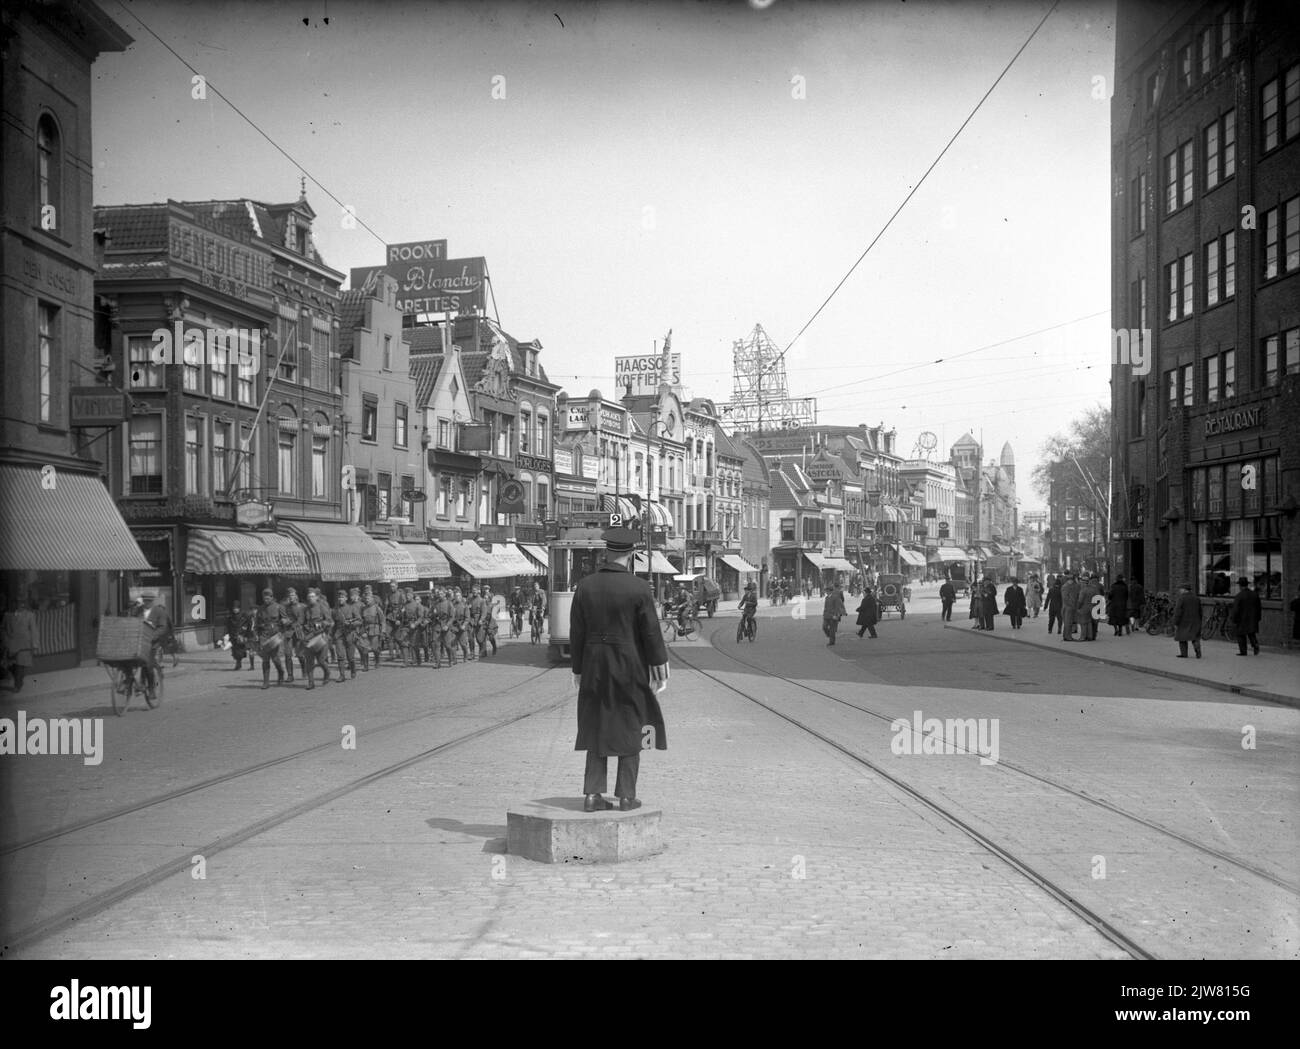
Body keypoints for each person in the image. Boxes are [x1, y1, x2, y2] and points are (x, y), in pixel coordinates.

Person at [570, 527, 670, 813]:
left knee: (595, 726)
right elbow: (651, 633)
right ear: (633, 554)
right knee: (634, 725)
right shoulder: (639, 589)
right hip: (629, 667)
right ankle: (626, 795)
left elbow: (576, 632)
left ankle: (592, 794)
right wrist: (659, 667)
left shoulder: (585, 586)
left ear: (606, 552)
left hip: (593, 667)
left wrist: (578, 668)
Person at [254, 588, 290, 688]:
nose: (266, 600)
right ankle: (266, 682)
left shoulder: (279, 607)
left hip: (275, 635)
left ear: (272, 597)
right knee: (265, 659)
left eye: (268, 598)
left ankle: (281, 672)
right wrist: (256, 634)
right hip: (264, 635)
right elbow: (256, 624)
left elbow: (286, 620)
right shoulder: (260, 609)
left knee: (275, 659)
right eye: (264, 598)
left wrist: (284, 621)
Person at [2, 596, 37, 692]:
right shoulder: (7, 615)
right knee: (9, 665)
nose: (19, 605)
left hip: (24, 645)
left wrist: (35, 644)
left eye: (22, 603)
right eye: (17, 603)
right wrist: (6, 641)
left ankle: (17, 685)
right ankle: (19, 681)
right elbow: (3, 629)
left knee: (20, 665)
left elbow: (34, 630)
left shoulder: (30, 615)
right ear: (13, 604)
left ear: (24, 604)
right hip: (11, 644)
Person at [300, 589, 332, 689]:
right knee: (309, 661)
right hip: (309, 636)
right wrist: (302, 633)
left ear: (317, 597)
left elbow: (329, 621)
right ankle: (311, 683)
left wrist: (323, 624)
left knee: (321, 661)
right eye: (309, 597)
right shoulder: (305, 610)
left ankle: (327, 673)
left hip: (321, 636)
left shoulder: (322, 607)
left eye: (313, 596)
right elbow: (301, 623)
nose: (311, 598)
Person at [1229, 577, 1262, 656]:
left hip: (1242, 619)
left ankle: (1243, 651)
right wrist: (1258, 617)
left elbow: (1235, 609)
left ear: (1240, 586)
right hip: (1252, 618)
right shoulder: (1254, 594)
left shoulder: (1239, 596)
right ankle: (1255, 645)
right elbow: (1259, 607)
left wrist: (1233, 619)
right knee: (1251, 633)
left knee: (1240, 635)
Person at [1172, 583, 1203, 658]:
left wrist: (1175, 622)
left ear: (1184, 590)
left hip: (1184, 621)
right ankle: (1197, 651)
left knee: (1182, 638)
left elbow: (1178, 611)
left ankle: (1184, 654)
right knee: (1195, 637)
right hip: (1196, 621)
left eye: (1181, 589)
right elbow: (1200, 611)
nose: (1179, 591)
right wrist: (1200, 620)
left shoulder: (1181, 598)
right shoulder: (1196, 598)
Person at [281, 588, 303, 681]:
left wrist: (289, 621)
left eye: (293, 595)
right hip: (288, 632)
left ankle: (304, 669)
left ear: (296, 596)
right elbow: (283, 619)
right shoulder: (284, 607)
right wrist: (284, 621)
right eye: (289, 596)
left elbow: (301, 620)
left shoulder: (301, 606)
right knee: (287, 654)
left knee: (300, 654)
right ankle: (290, 675)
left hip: (298, 632)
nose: (291, 597)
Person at [361, 590, 385, 670]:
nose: (367, 600)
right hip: (366, 631)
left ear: (372, 599)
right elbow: (362, 621)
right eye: (366, 598)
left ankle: (377, 661)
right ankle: (366, 666)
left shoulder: (377, 608)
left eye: (368, 598)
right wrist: (362, 631)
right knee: (364, 649)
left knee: (375, 648)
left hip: (375, 630)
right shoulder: (363, 609)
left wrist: (383, 631)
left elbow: (382, 620)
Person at [1077, 574, 1102, 642]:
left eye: (1082, 582)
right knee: (1089, 622)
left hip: (1084, 608)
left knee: (1083, 623)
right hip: (1093, 607)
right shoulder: (1094, 588)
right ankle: (1090, 636)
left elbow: (1080, 601)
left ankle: (1083, 637)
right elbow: (1099, 597)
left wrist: (1078, 607)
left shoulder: (1083, 590)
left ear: (1084, 582)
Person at [226, 602, 251, 671]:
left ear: (239, 608)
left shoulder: (244, 616)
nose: (235, 610)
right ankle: (238, 663)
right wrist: (228, 635)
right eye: (234, 608)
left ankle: (238, 663)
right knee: (234, 650)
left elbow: (249, 625)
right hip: (233, 635)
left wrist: (247, 634)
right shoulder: (230, 616)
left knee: (240, 650)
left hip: (241, 635)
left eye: (236, 608)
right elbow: (228, 626)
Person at [1060, 573, 1080, 641]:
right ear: (1067, 580)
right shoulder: (1065, 587)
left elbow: (1077, 594)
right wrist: (1072, 605)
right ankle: (1067, 637)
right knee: (1068, 623)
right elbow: (1065, 598)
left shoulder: (1074, 586)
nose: (1071, 581)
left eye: (1072, 579)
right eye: (1070, 580)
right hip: (1068, 607)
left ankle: (1067, 636)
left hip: (1072, 607)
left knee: (1070, 623)